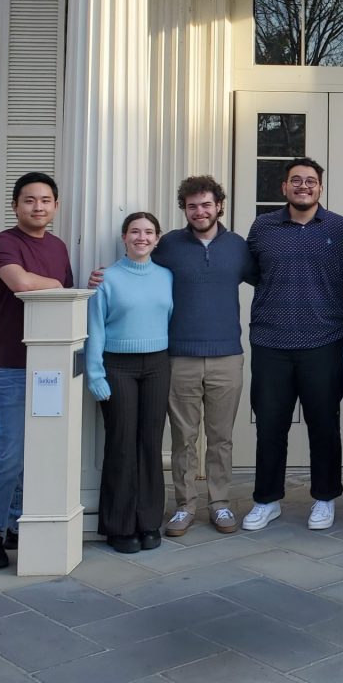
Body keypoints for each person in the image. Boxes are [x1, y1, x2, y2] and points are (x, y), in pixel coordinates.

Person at [92, 176, 257, 537]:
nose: (200, 211)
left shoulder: (238, 248)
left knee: (221, 436)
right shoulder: (168, 246)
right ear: (184, 209)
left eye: (206, 204)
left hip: (227, 355)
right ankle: (185, 506)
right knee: (183, 437)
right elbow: (139, 269)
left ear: (219, 206)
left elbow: (268, 282)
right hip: (178, 356)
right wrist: (100, 279)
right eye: (192, 205)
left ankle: (220, 503)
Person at [241, 157, 343, 532]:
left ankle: (324, 498)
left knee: (323, 424)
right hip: (270, 341)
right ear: (284, 187)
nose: (303, 186)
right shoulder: (263, 227)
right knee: (270, 425)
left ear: (320, 188)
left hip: (324, 341)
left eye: (310, 181)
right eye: (296, 180)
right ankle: (267, 500)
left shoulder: (342, 230)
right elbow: (251, 272)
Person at [0, 172, 72, 570]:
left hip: (49, 366)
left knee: (37, 452)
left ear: (55, 206)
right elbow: (22, 284)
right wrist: (51, 282)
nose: (38, 207)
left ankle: (17, 522)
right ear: (16, 205)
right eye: (29, 200)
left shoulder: (59, 246)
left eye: (45, 200)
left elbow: (64, 300)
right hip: (11, 365)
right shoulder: (2, 244)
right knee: (11, 452)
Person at [86, 212, 173, 553]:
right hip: (116, 365)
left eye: (149, 232)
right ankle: (119, 526)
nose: (142, 237)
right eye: (135, 231)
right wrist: (95, 373)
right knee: (121, 443)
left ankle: (149, 521)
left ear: (157, 238)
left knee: (150, 443)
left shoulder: (166, 276)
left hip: (157, 364)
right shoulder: (106, 278)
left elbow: (168, 317)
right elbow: (95, 327)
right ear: (124, 237)